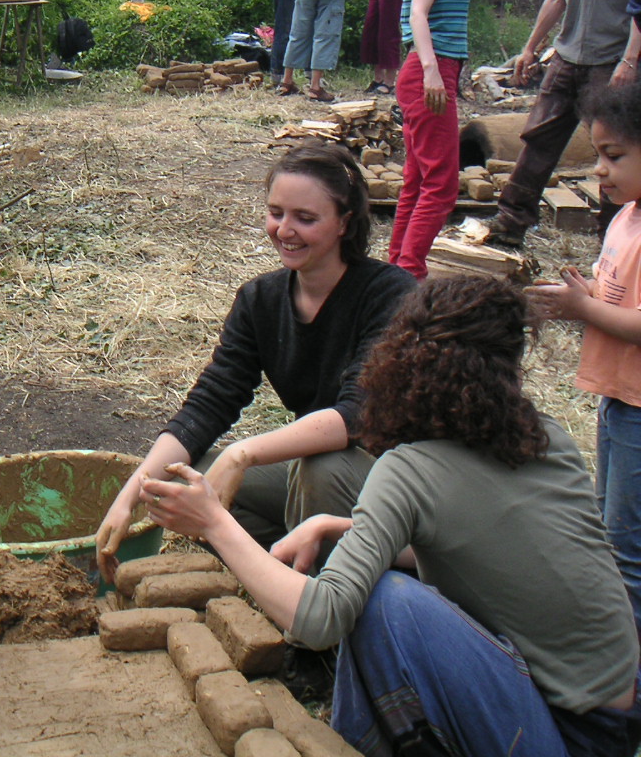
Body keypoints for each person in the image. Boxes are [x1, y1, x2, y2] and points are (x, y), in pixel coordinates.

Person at [145, 276, 638, 756]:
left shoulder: (410, 471)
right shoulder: (546, 436)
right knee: (387, 581)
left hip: (558, 733)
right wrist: (335, 525)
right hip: (621, 713)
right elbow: (483, 547)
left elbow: (320, 618)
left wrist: (215, 523)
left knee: (385, 600)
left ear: (401, 364)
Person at [95, 140, 416, 581]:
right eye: (276, 213)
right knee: (189, 479)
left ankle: (333, 597)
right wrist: (130, 496)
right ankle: (284, 563)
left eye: (305, 218)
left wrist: (242, 454)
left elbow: (356, 415)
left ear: (344, 222)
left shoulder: (390, 294)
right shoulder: (260, 300)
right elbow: (210, 403)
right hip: (316, 480)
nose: (285, 230)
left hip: (389, 480)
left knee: (319, 467)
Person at [528, 80, 641, 730]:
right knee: (609, 525)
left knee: (628, 549)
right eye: (597, 154)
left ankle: (626, 683)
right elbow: (611, 293)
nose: (599, 168)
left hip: (639, 407)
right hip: (617, 397)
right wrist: (578, 294)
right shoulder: (624, 219)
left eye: (614, 155)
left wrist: (583, 308)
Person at [484, 0, 641, 248]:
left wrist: (629, 62)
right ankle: (509, 224)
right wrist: (529, 47)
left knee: (614, 150)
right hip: (567, 57)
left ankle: (615, 242)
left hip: (611, 61)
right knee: (538, 139)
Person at [387, 0, 477, 280]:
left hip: (429, 70)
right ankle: (410, 275)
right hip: (431, 71)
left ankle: (395, 273)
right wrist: (431, 72)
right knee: (441, 185)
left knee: (417, 179)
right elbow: (418, 13)